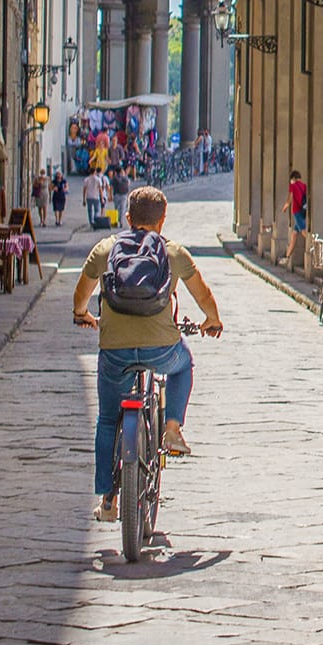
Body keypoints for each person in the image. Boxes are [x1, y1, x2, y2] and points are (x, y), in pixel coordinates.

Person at [72, 186, 225, 522]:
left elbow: (81, 294)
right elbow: (204, 295)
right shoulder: (173, 253)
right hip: (161, 348)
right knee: (183, 365)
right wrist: (211, 321)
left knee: (107, 420)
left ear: (128, 218)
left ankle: (108, 500)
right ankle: (172, 427)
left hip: (114, 351)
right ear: (162, 220)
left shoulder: (106, 249)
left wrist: (82, 314)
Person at [279, 168, 308, 267]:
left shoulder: (293, 186)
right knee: (294, 235)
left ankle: (313, 245)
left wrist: (285, 207)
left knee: (304, 232)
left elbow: (290, 199)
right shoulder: (304, 186)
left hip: (296, 212)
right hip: (303, 211)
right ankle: (287, 257)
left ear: (294, 178)